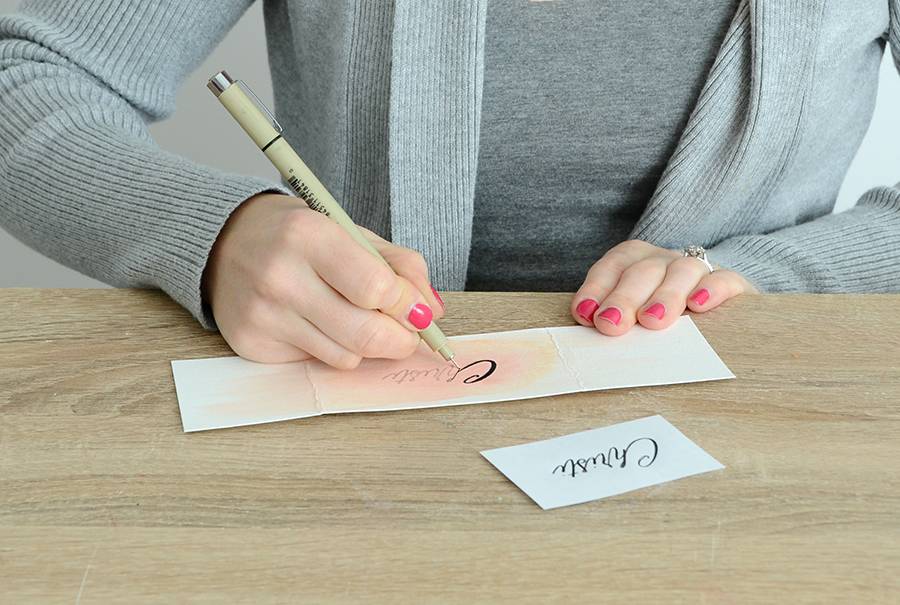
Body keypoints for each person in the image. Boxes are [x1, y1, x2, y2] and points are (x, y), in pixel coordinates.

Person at [1, 1, 898, 370]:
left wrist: (778, 276)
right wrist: (212, 231)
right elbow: (23, 67)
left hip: (774, 432)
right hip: (364, 429)